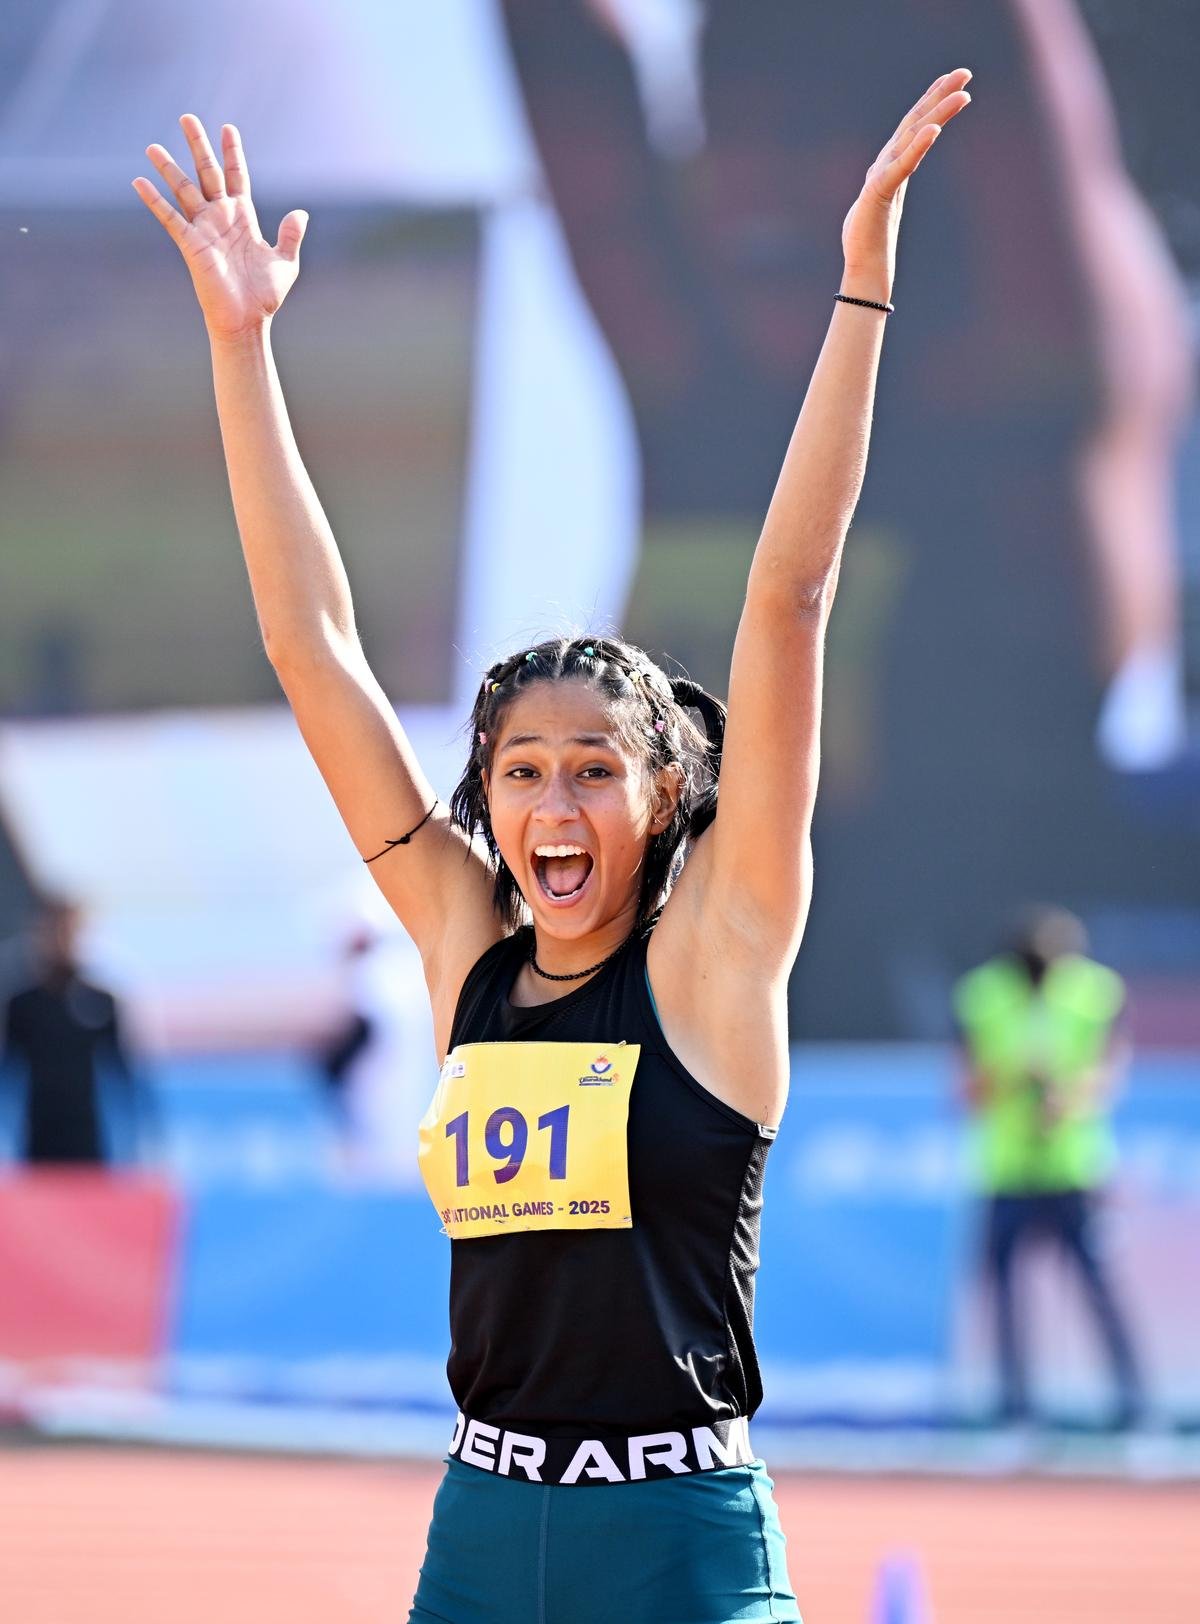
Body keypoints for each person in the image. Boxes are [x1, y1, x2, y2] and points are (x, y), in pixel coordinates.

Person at [133, 67, 971, 1624]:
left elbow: (787, 603)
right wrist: (243, 346)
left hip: (682, 1545)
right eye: (522, 773)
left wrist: (861, 283)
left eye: (594, 771)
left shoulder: (721, 956)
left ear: (663, 798)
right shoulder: (463, 941)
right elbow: (313, 647)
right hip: (483, 1532)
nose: (553, 807)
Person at [954, 906, 1144, 1429]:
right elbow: (966, 1088)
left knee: (1099, 1287)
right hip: (1006, 1169)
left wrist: (1069, 1098)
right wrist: (1012, 1077)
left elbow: (1110, 1071)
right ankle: (1016, 1409)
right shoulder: (982, 995)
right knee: (1005, 1293)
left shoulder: (1097, 992)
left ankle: (1133, 1408)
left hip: (1074, 1168)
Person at [1, 898, 140, 1164]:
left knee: (89, 1201)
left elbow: (122, 1074)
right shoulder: (22, 1004)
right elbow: (7, 1071)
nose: (60, 941)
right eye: (52, 931)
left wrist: (133, 1143)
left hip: (87, 1138)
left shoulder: (100, 1000)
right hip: (38, 1138)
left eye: (68, 931)